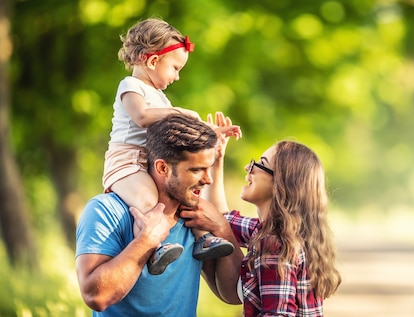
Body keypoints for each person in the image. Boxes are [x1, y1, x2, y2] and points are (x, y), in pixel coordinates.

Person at [103, 17, 238, 274]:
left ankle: (203, 239)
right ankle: (153, 247)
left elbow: (175, 129)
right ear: (153, 61)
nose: (177, 77)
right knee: (148, 200)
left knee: (187, 199)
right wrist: (176, 111)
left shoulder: (161, 97)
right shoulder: (131, 86)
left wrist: (212, 132)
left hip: (152, 161)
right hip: (126, 163)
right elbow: (142, 116)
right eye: (175, 68)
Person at [76, 114, 244, 315]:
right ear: (162, 168)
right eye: (197, 170)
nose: (207, 179)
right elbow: (96, 296)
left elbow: (234, 294)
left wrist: (223, 229)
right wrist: (147, 241)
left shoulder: (196, 220)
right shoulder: (106, 210)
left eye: (209, 168)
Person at [181, 139, 342, 316]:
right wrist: (217, 160)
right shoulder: (270, 231)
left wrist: (222, 228)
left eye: (260, 165)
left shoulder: (277, 243)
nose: (248, 168)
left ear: (280, 184)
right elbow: (218, 217)